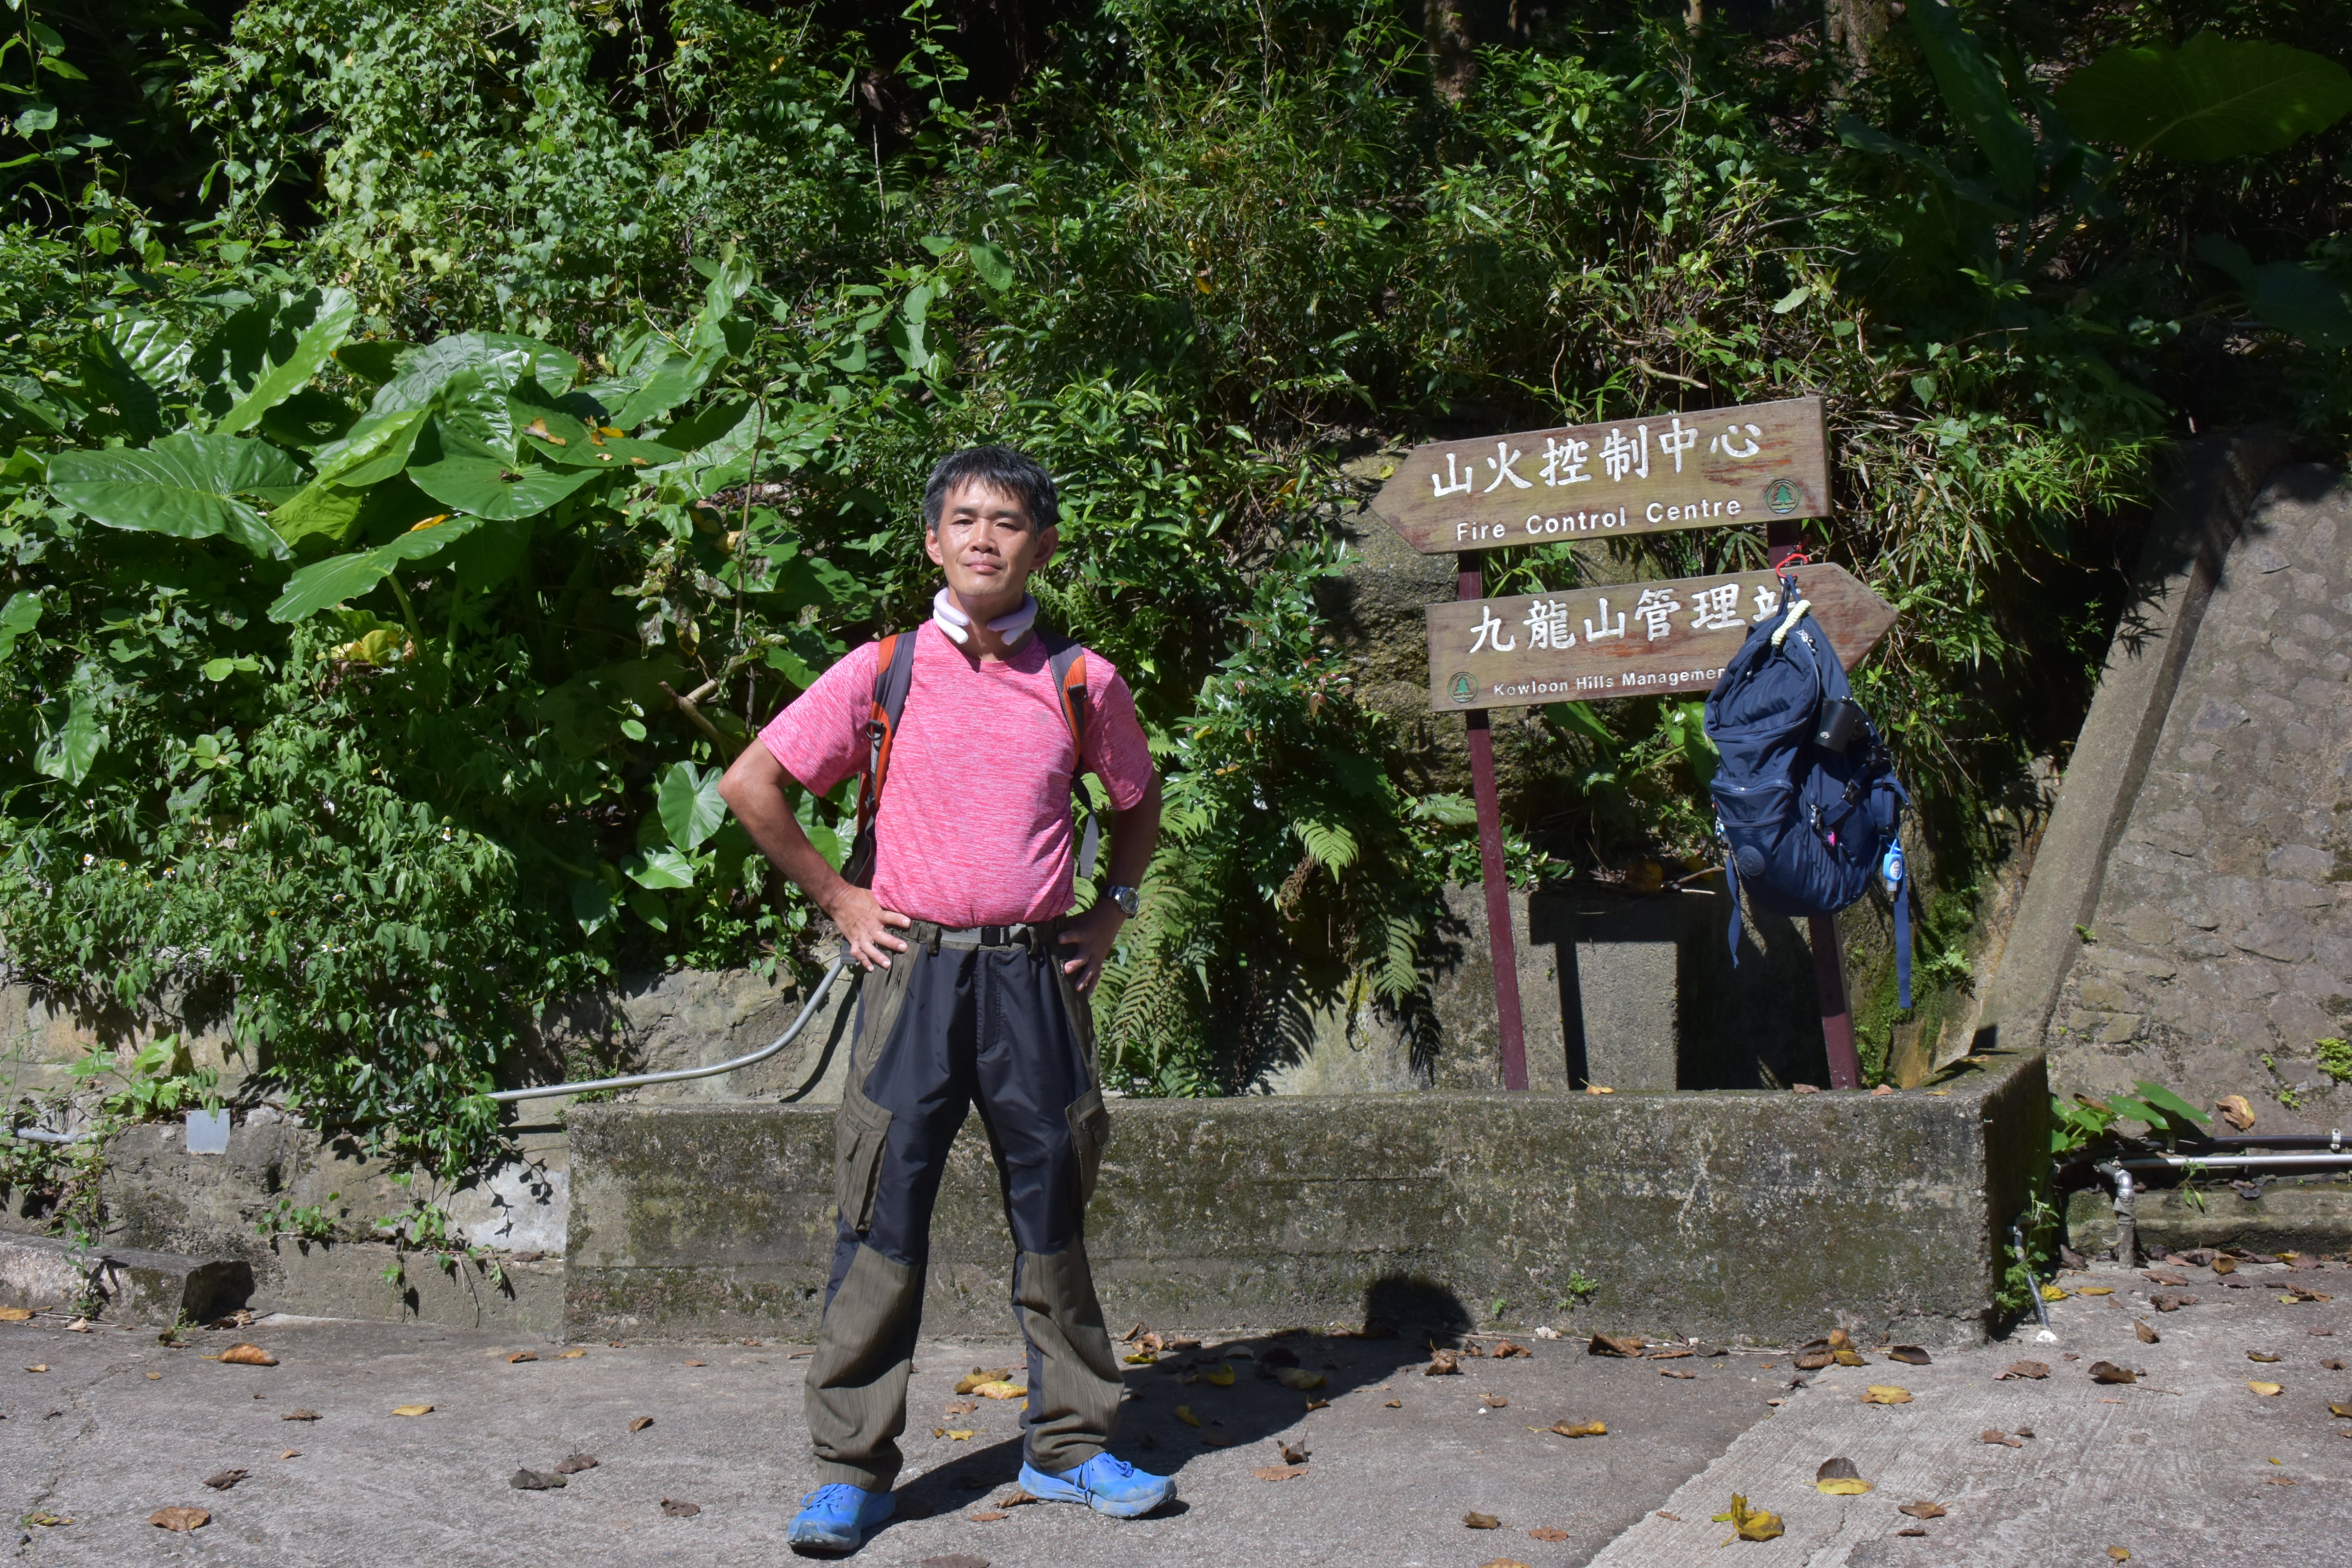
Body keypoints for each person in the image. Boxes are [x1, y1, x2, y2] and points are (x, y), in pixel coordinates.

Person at [717, 445, 1172, 1555]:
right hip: (910, 974)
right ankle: (850, 1472)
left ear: (1041, 547)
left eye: (1007, 523)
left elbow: (1138, 803)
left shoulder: (1081, 680)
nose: (984, 539)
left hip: (1036, 976)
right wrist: (840, 899)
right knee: (881, 1212)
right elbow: (752, 784)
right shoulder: (883, 671)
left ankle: (1069, 1448)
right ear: (933, 541)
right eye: (964, 520)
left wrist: (1111, 911)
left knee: (1052, 1209)